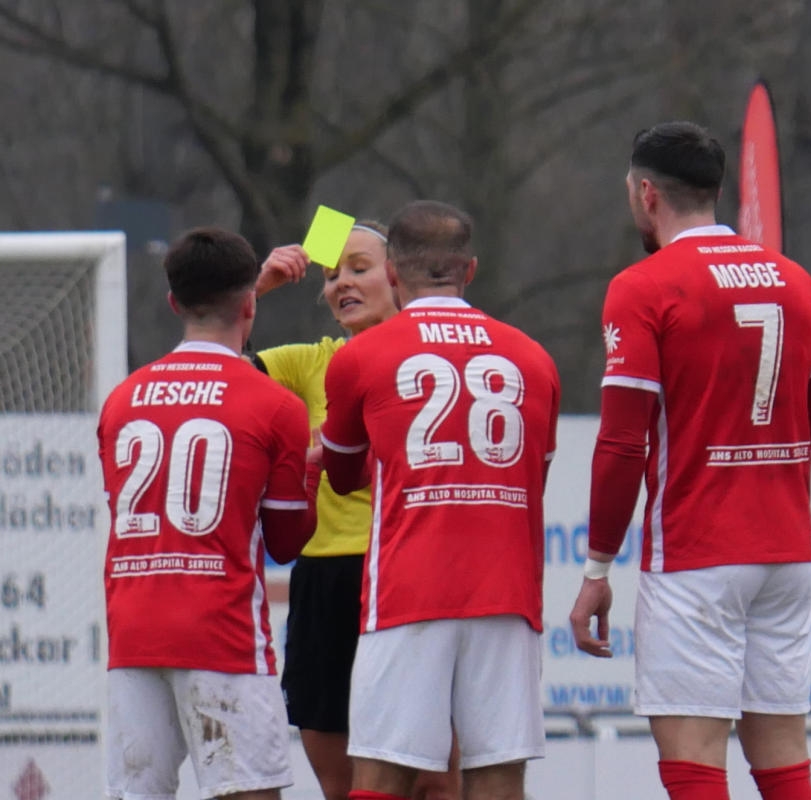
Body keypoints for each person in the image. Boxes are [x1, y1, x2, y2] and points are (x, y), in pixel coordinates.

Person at [569, 121, 811, 800]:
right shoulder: (795, 280)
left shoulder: (642, 286)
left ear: (646, 194)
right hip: (785, 553)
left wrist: (597, 567)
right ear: (715, 190)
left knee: (693, 762)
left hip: (698, 552)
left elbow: (622, 444)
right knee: (783, 761)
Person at [320, 200, 561, 800]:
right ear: (469, 270)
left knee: (381, 774)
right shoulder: (534, 358)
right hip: (506, 592)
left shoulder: (360, 357)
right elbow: (535, 479)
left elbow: (342, 476)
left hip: (407, 590)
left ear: (392, 273)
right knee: (497, 774)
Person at [97, 227, 319, 800]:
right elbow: (287, 540)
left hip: (134, 633)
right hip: (221, 633)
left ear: (173, 303)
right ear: (250, 303)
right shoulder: (276, 405)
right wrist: (313, 469)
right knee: (248, 793)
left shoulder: (121, 400)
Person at [253, 221, 462, 800]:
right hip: (324, 581)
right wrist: (258, 288)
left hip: (406, 577)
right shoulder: (309, 363)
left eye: (359, 268)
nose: (341, 282)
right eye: (329, 275)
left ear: (397, 276)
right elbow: (221, 375)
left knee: (435, 781)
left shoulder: (434, 357)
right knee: (342, 783)